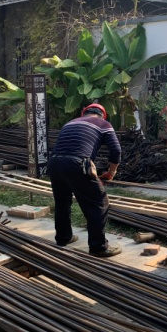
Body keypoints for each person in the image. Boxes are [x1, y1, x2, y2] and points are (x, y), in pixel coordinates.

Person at [47, 103, 122, 258]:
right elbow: (116, 150)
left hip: (54, 163)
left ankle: (63, 238)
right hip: (76, 164)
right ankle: (98, 247)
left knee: (62, 202)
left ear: (84, 113)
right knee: (99, 202)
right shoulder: (103, 124)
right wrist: (111, 172)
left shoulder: (70, 123)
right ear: (103, 115)